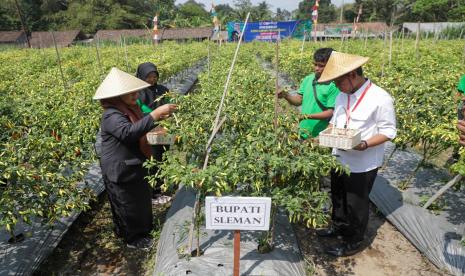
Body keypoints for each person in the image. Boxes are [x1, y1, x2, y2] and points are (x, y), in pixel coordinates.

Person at [316, 51, 397, 257]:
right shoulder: (343, 95)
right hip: (339, 158)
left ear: (352, 75)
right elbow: (337, 120)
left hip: (362, 163)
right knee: (338, 197)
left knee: (356, 204)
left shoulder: (380, 98)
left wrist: (363, 144)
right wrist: (329, 132)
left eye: (337, 82)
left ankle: (354, 240)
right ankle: (338, 227)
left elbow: (388, 131)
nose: (335, 86)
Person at [93, 67, 177, 250]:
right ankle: (133, 239)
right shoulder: (111, 115)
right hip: (121, 168)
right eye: (129, 92)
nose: (135, 94)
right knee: (127, 203)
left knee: (140, 200)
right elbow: (129, 133)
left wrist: (158, 119)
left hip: (134, 164)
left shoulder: (132, 109)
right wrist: (155, 114)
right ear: (117, 96)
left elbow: (143, 123)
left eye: (136, 91)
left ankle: (143, 231)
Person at [278, 48, 340, 139]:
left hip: (321, 135)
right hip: (303, 130)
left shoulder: (334, 86)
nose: (316, 68)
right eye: (315, 64)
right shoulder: (308, 79)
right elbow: (299, 100)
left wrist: (306, 116)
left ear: (330, 66)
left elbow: (330, 112)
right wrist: (285, 95)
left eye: (321, 66)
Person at [135, 62, 171, 204]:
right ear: (142, 76)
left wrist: (168, 114)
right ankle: (152, 192)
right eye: (148, 77)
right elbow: (139, 112)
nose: (152, 79)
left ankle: (158, 190)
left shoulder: (162, 89)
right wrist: (155, 115)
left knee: (162, 158)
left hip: (163, 130)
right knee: (151, 160)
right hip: (146, 132)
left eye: (154, 76)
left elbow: (168, 103)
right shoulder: (137, 93)